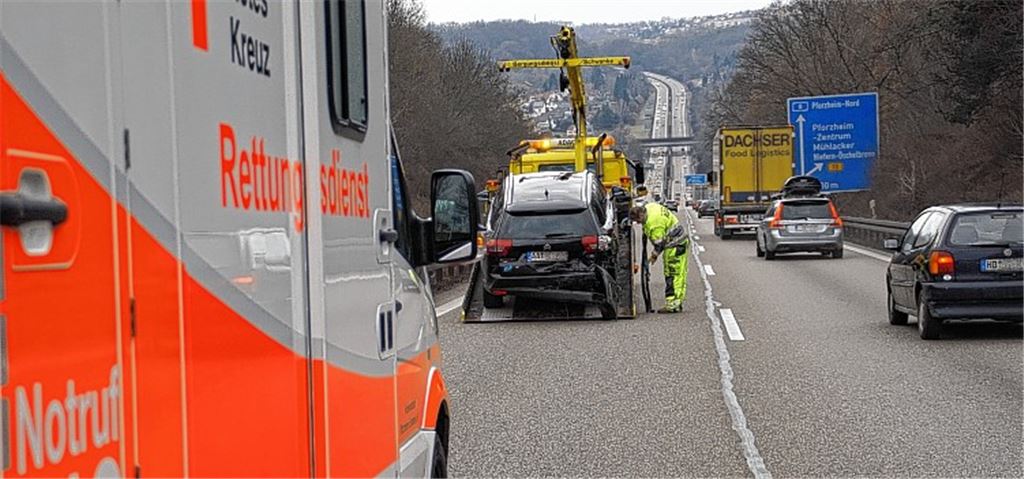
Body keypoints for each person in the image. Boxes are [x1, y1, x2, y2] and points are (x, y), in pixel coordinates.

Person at [630, 202, 689, 313]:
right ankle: (677, 302)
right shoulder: (650, 207)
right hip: (679, 241)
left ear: (641, 215)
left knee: (672, 274)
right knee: (679, 274)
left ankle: (672, 304)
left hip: (675, 245)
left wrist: (653, 256)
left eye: (638, 221)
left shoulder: (654, 224)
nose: (638, 223)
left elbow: (659, 244)